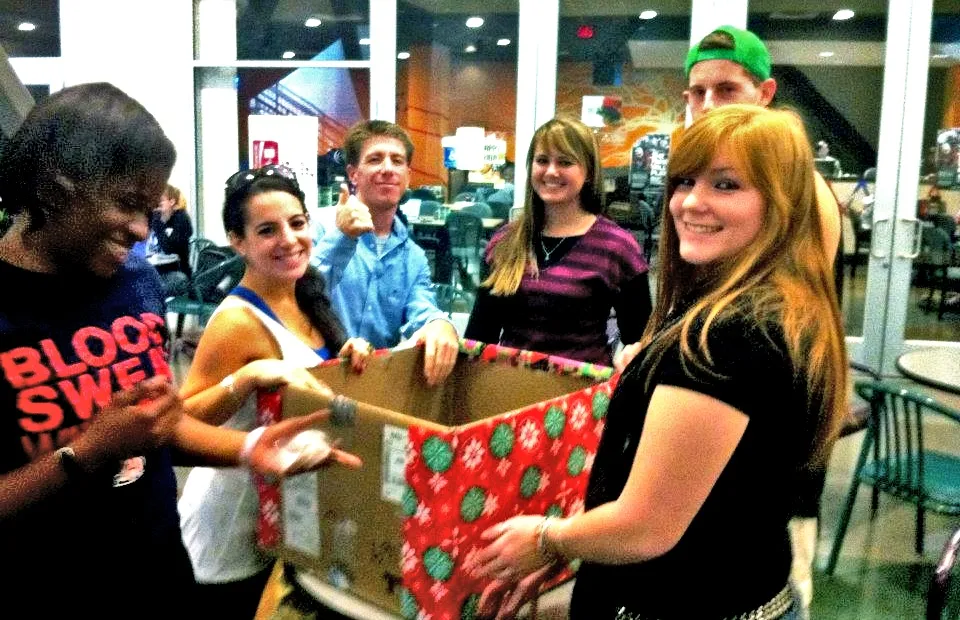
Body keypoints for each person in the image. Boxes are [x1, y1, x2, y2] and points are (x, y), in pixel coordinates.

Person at [467, 105, 847, 620]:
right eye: (685, 181)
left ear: (782, 205)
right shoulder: (770, 309)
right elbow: (659, 487)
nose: (691, 203)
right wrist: (572, 546)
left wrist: (548, 538)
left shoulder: (726, 338)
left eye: (727, 185)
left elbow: (647, 524)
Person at [0, 82, 360, 617]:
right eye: (127, 205)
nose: (143, 230)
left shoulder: (134, 279)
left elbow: (159, 423)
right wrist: (87, 452)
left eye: (150, 208)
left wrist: (245, 450)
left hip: (159, 574)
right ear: (58, 187)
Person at [177, 165, 372, 618]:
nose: (289, 239)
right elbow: (181, 420)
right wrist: (246, 377)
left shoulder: (305, 293)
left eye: (297, 223)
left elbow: (304, 382)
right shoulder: (236, 321)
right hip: (227, 534)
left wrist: (351, 358)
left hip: (283, 520)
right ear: (237, 241)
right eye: (267, 230)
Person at [464, 117, 651, 366]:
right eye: (542, 161)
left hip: (580, 397)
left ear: (588, 173)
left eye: (565, 161)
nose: (551, 171)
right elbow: (479, 337)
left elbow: (641, 342)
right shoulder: (504, 241)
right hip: (508, 391)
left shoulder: (617, 247)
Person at [312, 120, 459, 386]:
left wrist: (440, 323)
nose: (388, 169)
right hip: (315, 379)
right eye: (375, 159)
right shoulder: (319, 228)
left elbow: (422, 310)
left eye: (397, 160)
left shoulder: (413, 256)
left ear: (408, 176)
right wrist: (342, 236)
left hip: (375, 386)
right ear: (353, 173)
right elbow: (296, 294)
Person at [150, 183, 194, 296]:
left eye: (160, 201)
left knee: (147, 291)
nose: (157, 205)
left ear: (172, 201)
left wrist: (157, 224)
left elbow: (169, 248)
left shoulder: (181, 219)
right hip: (155, 271)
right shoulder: (154, 219)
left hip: (176, 273)